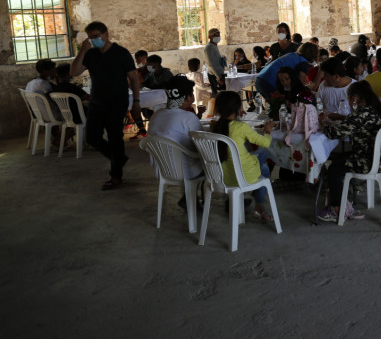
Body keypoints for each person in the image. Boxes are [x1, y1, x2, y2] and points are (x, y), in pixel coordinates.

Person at [71, 21, 142, 190]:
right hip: (97, 101)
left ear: (106, 34)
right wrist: (82, 50)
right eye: (90, 37)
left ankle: (116, 175)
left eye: (96, 36)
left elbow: (134, 79)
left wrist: (136, 102)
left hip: (117, 102)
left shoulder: (121, 53)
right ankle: (118, 158)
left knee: (115, 137)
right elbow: (74, 72)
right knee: (91, 137)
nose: (93, 40)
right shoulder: (90, 54)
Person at [317, 81, 381, 222]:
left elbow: (334, 133)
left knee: (334, 168)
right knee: (337, 159)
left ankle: (337, 209)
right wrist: (339, 119)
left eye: (349, 97)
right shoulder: (375, 109)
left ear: (355, 98)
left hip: (369, 161)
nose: (348, 100)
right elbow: (354, 124)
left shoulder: (361, 114)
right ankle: (342, 197)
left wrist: (323, 122)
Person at [211, 91, 279, 223]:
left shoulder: (215, 126)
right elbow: (265, 143)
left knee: (263, 166)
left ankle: (259, 206)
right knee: (264, 157)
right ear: (238, 108)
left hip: (223, 175)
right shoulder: (241, 127)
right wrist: (267, 132)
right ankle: (260, 205)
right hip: (243, 175)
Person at [146, 76, 203, 207]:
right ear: (188, 97)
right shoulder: (189, 118)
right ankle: (230, 200)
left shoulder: (156, 115)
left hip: (162, 170)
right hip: (187, 172)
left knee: (183, 155)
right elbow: (201, 145)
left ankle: (188, 197)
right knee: (212, 160)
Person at [318, 57, 353, 121]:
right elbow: (318, 106)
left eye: (326, 75)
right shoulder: (323, 85)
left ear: (336, 77)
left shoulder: (355, 87)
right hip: (325, 125)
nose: (323, 78)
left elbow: (359, 116)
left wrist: (341, 117)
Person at [203, 28, 226, 98]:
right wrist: (219, 77)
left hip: (218, 74)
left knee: (221, 96)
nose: (217, 37)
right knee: (217, 96)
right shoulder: (209, 48)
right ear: (209, 37)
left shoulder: (214, 46)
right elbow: (210, 64)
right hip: (214, 75)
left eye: (218, 35)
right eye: (215, 35)